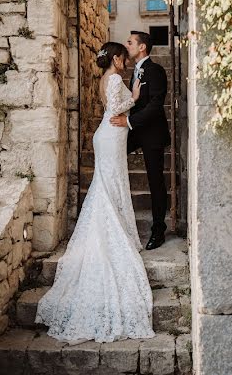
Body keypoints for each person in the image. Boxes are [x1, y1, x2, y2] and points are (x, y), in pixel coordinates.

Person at [34, 42, 155, 343]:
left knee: (109, 184)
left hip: (109, 135)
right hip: (112, 135)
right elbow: (115, 108)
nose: (127, 61)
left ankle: (118, 227)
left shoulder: (106, 78)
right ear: (115, 59)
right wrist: (137, 95)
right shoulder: (114, 79)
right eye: (124, 57)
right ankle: (114, 231)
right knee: (109, 184)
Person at [109, 30, 171, 250]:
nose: (127, 46)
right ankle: (111, 218)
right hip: (134, 132)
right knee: (110, 159)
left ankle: (158, 230)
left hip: (152, 133)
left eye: (130, 42)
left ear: (142, 47)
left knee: (156, 181)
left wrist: (128, 121)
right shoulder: (133, 71)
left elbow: (155, 105)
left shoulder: (155, 71)